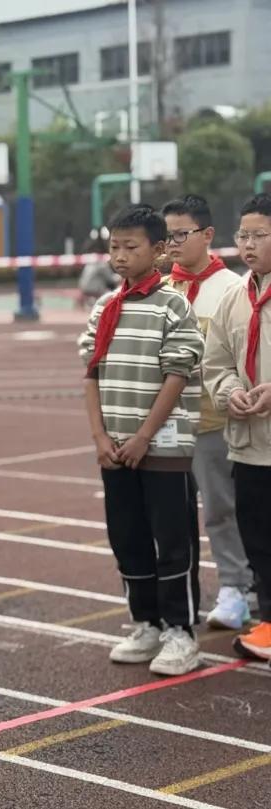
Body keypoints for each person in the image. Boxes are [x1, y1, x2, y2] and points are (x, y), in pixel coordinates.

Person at [78, 204, 205, 677]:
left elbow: (177, 374)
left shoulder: (173, 305)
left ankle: (181, 631)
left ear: (158, 250)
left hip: (164, 448)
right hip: (116, 449)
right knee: (127, 537)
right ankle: (145, 622)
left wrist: (144, 437)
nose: (120, 256)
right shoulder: (105, 307)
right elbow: (91, 374)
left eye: (131, 247)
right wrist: (101, 437)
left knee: (173, 540)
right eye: (114, 247)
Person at [161, 195, 253, 630]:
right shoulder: (163, 289)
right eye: (168, 236)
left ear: (207, 235)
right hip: (166, 425)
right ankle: (180, 595)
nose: (173, 243)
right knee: (173, 515)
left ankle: (237, 588)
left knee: (221, 508)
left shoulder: (232, 288)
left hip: (215, 423)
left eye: (182, 234)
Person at [203, 192, 271, 663]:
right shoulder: (235, 298)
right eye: (242, 235)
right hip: (249, 444)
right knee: (259, 536)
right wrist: (230, 391)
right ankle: (267, 621)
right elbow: (216, 362)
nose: (247, 244)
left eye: (258, 235)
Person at [78, 232, 118, 308]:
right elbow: (110, 279)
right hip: (95, 290)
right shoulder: (102, 263)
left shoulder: (89, 261)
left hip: (83, 288)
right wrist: (119, 278)